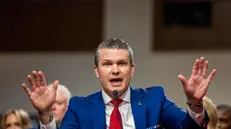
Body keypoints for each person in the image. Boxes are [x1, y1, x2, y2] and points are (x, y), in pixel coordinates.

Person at [22, 38, 216, 129]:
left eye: (122, 63)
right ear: (97, 71)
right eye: (107, 64)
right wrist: (45, 115)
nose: (115, 70)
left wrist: (195, 104)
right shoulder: (79, 107)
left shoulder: (155, 99)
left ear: (132, 69)